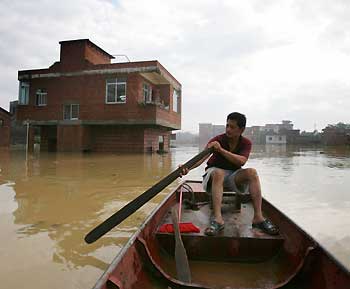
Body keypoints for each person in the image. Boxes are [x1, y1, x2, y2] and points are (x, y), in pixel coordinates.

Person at [181, 112, 279, 236]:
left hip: (233, 175)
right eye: (227, 125)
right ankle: (217, 219)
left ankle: (258, 218)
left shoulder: (246, 143)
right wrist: (186, 168)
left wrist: (220, 150)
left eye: (232, 127)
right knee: (219, 172)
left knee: (252, 173)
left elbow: (241, 161)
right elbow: (201, 159)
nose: (228, 129)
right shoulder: (217, 140)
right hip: (213, 174)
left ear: (241, 130)